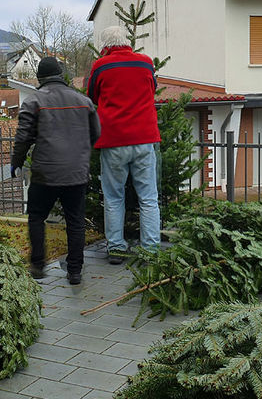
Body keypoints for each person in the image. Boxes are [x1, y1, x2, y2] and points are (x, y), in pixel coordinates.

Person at [11, 57, 100, 285]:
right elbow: (96, 134)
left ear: (40, 78)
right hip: (76, 173)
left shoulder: (34, 101)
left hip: (45, 172)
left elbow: (23, 138)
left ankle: (38, 265)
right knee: (75, 221)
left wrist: (16, 161)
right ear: (60, 75)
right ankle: (75, 271)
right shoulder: (84, 101)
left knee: (37, 216)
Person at [87, 25, 161, 264]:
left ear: (106, 46)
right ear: (126, 42)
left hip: (114, 139)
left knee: (114, 196)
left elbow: (93, 97)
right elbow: (153, 89)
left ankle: (117, 248)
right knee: (148, 197)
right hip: (144, 138)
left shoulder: (101, 66)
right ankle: (150, 249)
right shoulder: (145, 63)